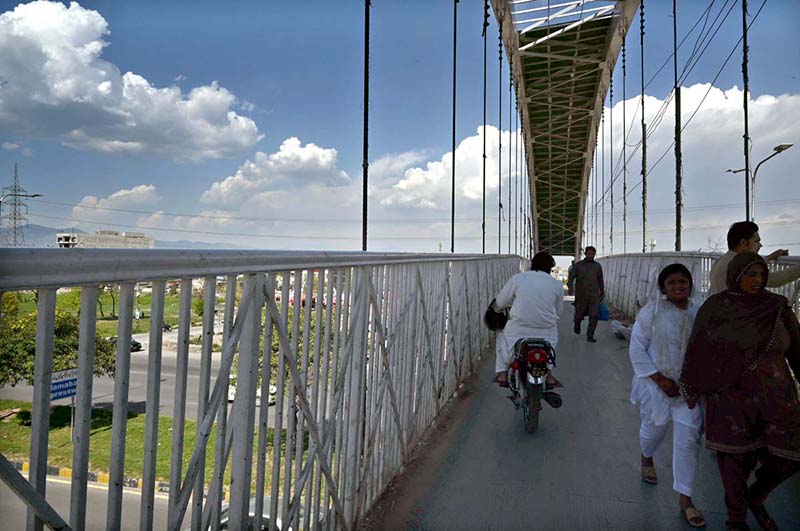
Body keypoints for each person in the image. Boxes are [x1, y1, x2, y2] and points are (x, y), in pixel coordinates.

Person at [680, 252, 800, 531]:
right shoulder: (716, 308)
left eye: (761, 275)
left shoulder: (777, 307)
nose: (757, 280)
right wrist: (691, 386)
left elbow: (796, 351)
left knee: (790, 454)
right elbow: (698, 350)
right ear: (735, 275)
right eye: (749, 274)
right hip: (731, 399)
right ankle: (736, 520)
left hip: (777, 398)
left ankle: (756, 496)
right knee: (734, 463)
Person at [628, 264, 705, 528]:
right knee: (654, 429)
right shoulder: (652, 313)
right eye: (671, 283)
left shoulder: (699, 313)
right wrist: (660, 380)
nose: (678, 287)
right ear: (663, 287)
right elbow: (637, 349)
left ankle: (686, 499)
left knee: (688, 440)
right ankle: (646, 457)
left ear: (690, 284)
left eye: (683, 282)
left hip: (688, 389)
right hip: (656, 387)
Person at [493, 251, 564, 387]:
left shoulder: (518, 279)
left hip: (518, 329)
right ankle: (549, 375)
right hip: (546, 331)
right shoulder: (557, 284)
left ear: (532, 264)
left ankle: (503, 373)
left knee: (501, 335)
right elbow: (559, 311)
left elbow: (501, 302)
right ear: (550, 267)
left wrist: (497, 309)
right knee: (549, 348)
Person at [709, 220, 800, 295]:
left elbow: (751, 264)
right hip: (735, 315)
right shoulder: (738, 266)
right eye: (756, 241)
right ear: (743, 243)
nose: (760, 245)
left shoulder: (721, 261)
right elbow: (774, 280)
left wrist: (770, 257)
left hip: (719, 312)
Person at [567, 246, 604, 342]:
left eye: (592, 254)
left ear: (595, 254)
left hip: (594, 296)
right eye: (589, 254)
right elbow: (571, 276)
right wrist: (570, 287)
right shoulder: (578, 265)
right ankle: (577, 324)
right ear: (585, 254)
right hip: (581, 295)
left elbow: (600, 280)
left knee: (594, 315)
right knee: (579, 314)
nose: (591, 256)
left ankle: (590, 336)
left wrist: (602, 292)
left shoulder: (597, 266)